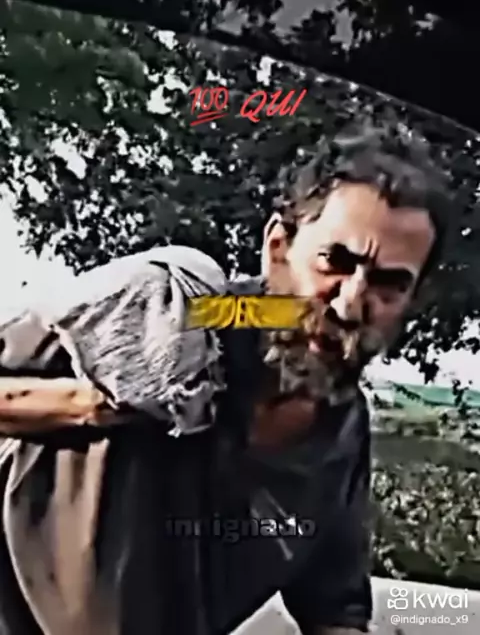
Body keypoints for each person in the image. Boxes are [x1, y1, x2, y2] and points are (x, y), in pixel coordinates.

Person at [0, 125, 451, 635]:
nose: (350, 305)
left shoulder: (342, 428)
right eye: (335, 261)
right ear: (278, 248)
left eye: (390, 284)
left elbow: (333, 609)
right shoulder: (180, 314)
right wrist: (93, 403)